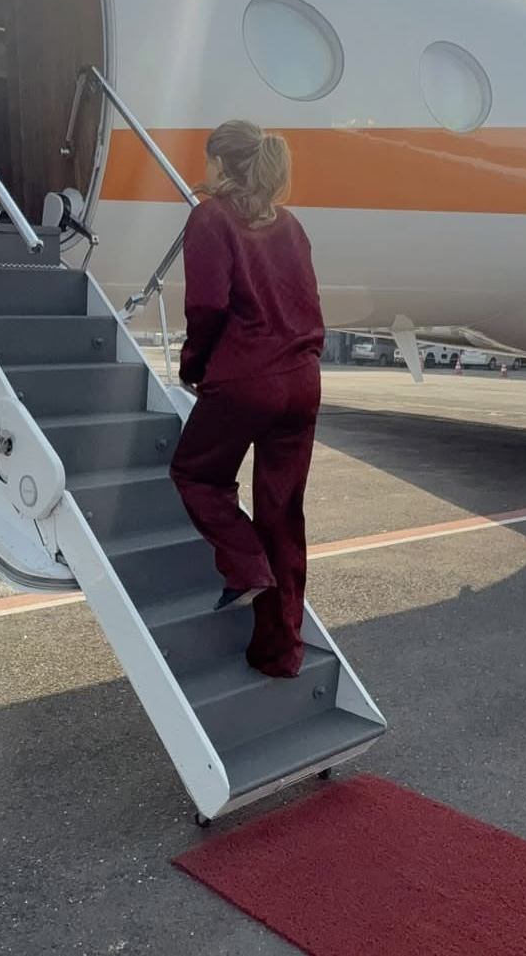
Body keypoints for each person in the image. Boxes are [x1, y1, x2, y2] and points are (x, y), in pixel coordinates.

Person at [169, 120, 324, 679]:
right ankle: (281, 652)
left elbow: (207, 306)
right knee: (283, 515)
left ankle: (246, 566)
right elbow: (308, 301)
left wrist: (194, 367)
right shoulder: (290, 225)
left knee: (197, 475)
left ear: (220, 163)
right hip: (302, 381)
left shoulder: (211, 217)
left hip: (246, 379)